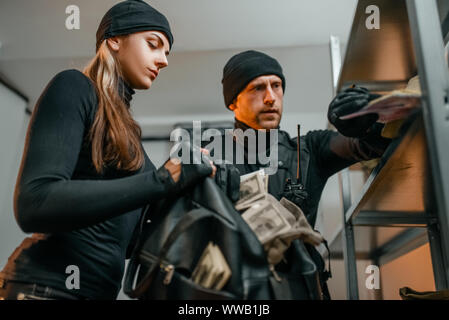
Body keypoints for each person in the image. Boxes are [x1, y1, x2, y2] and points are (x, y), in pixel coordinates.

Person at [0, 0, 214, 300]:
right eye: (154, 44)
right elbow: (34, 204)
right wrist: (163, 180)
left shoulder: (131, 139)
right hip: (45, 288)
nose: (164, 60)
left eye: (166, 52)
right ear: (114, 39)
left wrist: (188, 188)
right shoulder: (74, 87)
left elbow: (125, 244)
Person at [215, 50, 392, 299]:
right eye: (257, 88)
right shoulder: (210, 156)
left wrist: (368, 122)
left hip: (302, 289)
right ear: (233, 101)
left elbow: (366, 146)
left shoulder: (310, 150)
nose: (270, 97)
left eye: (276, 86)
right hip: (234, 294)